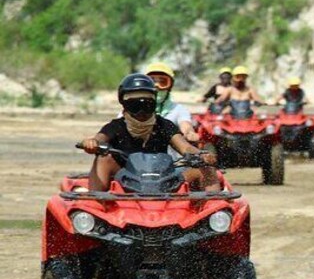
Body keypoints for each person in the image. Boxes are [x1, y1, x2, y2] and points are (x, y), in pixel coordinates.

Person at [81, 73, 220, 192]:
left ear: (154, 104)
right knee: (104, 158)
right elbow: (100, 138)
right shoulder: (116, 126)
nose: (141, 111)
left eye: (146, 105)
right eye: (135, 105)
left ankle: (214, 212)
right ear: (124, 104)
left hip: (165, 177)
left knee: (205, 167)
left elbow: (185, 147)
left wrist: (201, 155)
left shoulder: (163, 125)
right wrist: (93, 143)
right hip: (126, 177)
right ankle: (96, 205)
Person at [145, 62, 199, 145]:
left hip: (171, 157)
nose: (157, 86)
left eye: (163, 82)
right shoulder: (132, 109)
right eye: (152, 82)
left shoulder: (178, 109)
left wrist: (189, 133)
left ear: (170, 85)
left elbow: (186, 124)